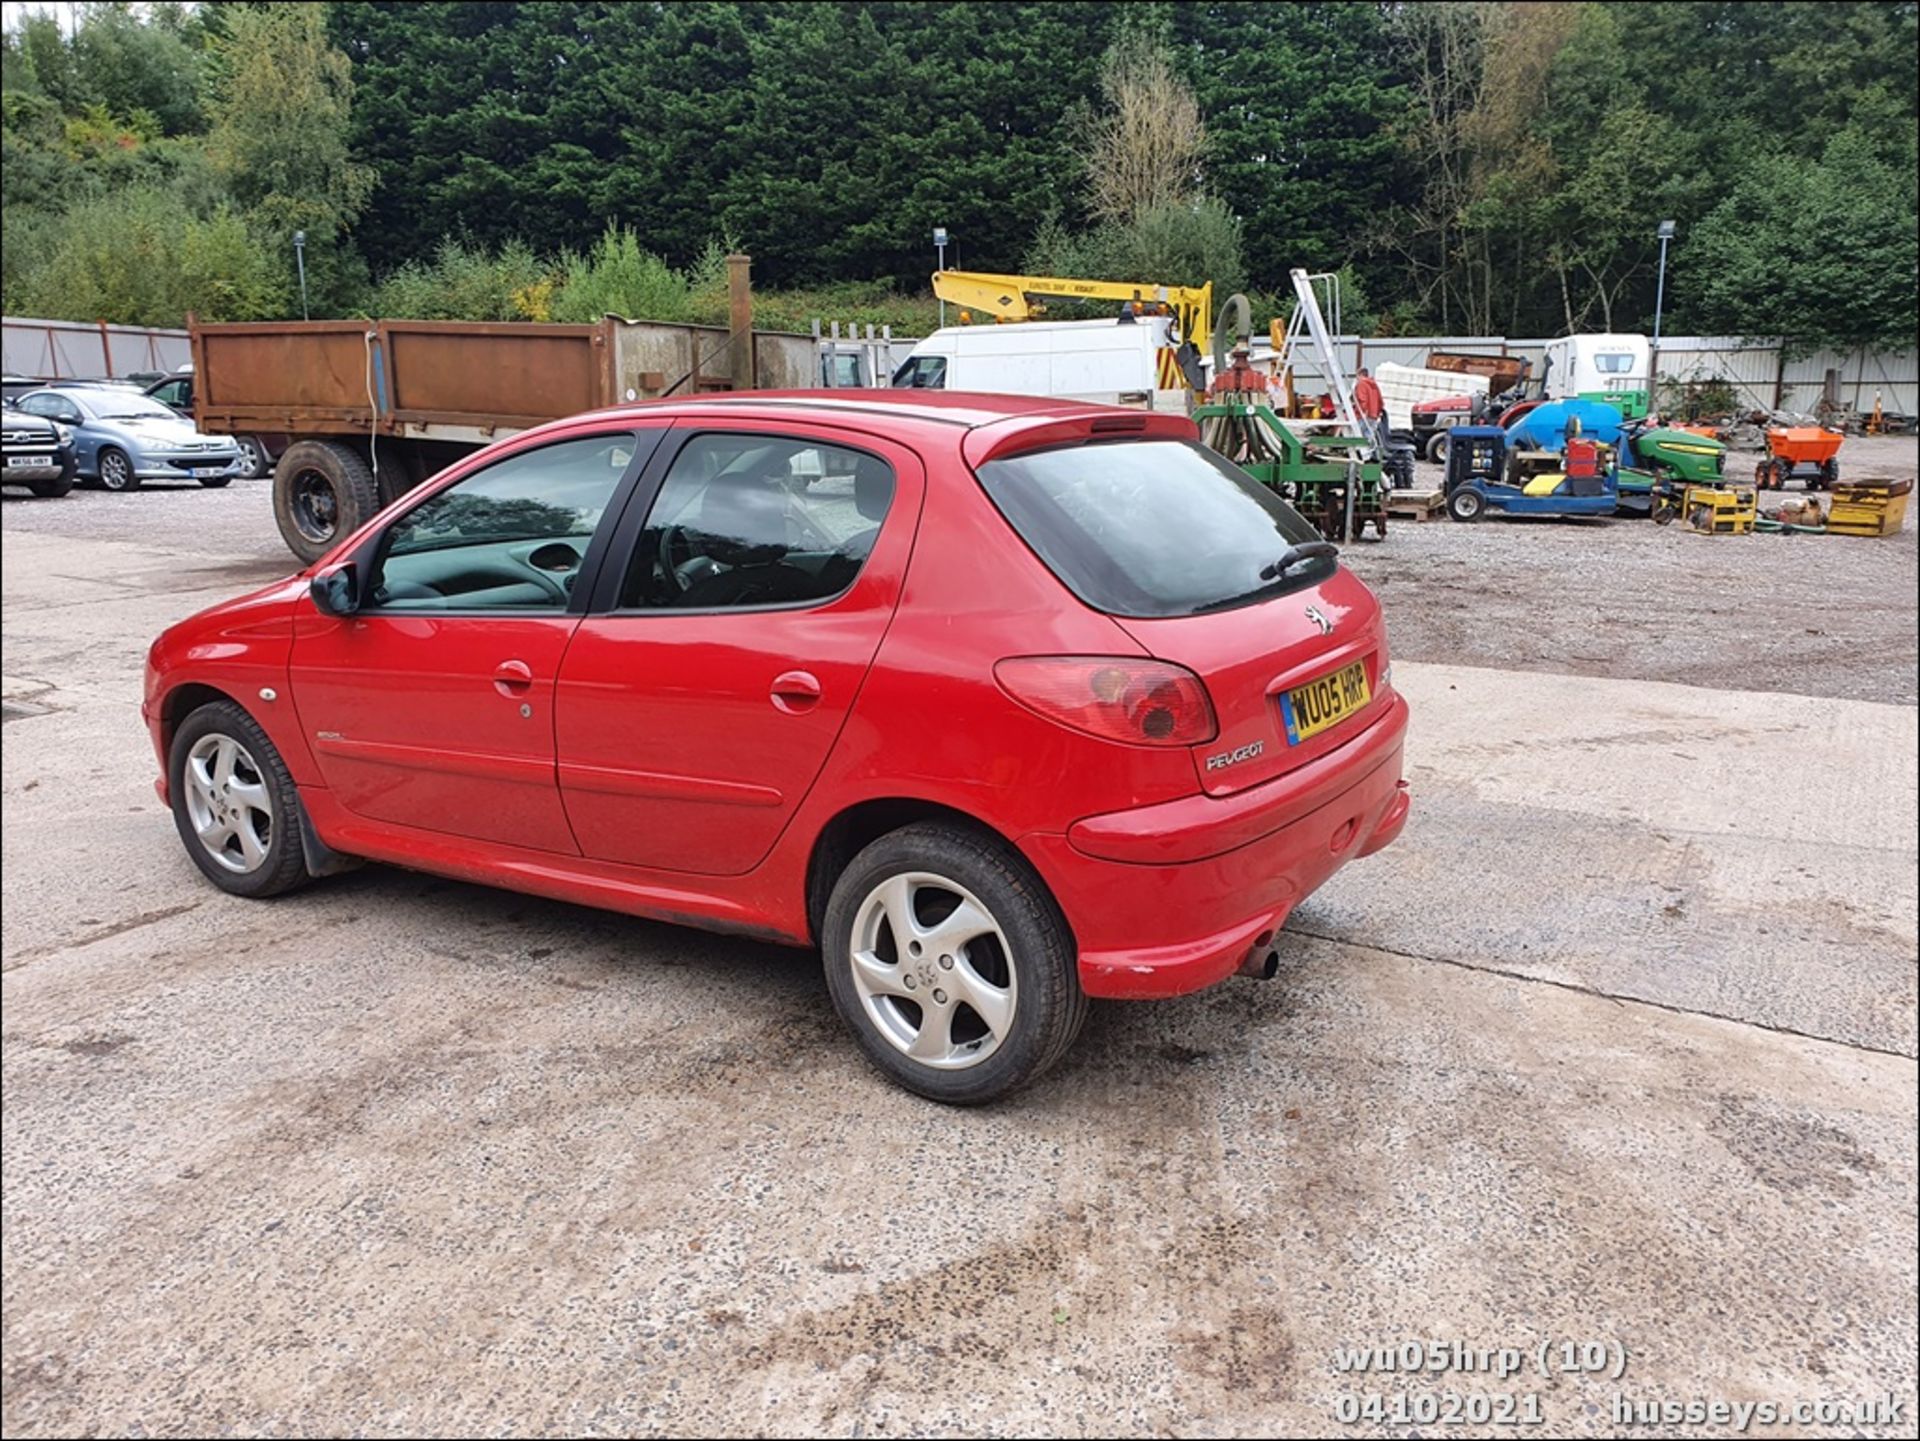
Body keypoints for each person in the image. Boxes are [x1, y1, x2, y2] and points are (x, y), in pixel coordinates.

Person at [1352, 366, 1389, 451]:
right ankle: (1369, 455)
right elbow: (1381, 402)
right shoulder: (1374, 385)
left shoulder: (1361, 384)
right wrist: (1377, 412)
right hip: (1373, 416)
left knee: (1358, 436)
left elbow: (1362, 400)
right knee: (1369, 437)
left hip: (1364, 416)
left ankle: (1360, 454)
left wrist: (1360, 412)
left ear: (1360, 375)